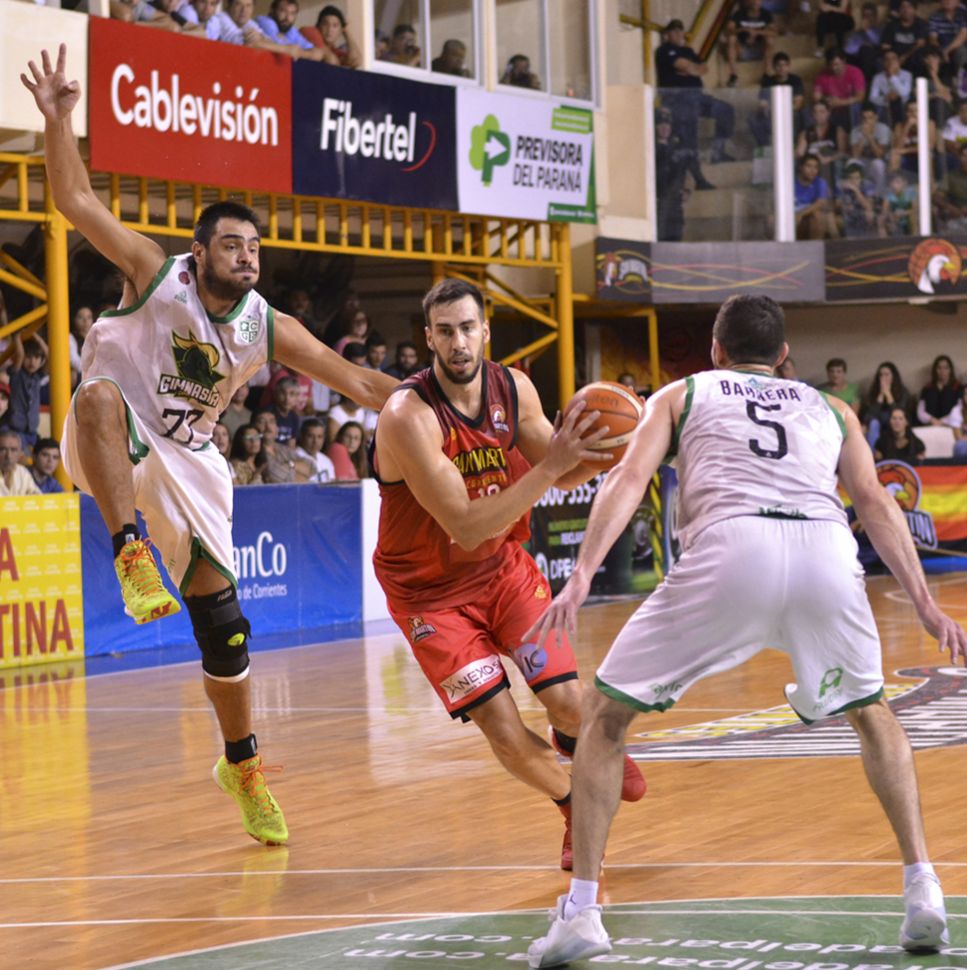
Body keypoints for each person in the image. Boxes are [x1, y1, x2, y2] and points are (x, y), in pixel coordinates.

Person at [20, 45, 397, 848]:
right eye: (231, 245)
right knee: (98, 394)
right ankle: (127, 552)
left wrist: (445, 400)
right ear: (200, 254)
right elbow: (74, 198)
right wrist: (58, 120)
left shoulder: (266, 325)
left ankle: (243, 765)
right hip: (108, 437)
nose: (246, 256)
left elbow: (359, 382)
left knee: (222, 625)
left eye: (253, 247)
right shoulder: (155, 274)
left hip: (188, 462)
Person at [525, 293, 967, 968]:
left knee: (605, 720)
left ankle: (581, 910)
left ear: (715, 349)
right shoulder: (833, 408)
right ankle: (922, 888)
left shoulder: (683, 393)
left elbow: (627, 479)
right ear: (784, 355)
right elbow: (875, 503)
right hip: (823, 552)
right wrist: (926, 604)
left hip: (730, 551)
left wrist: (583, 573)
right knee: (872, 713)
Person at [371, 278, 646, 874]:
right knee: (500, 727)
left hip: (503, 573)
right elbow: (466, 526)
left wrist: (607, 446)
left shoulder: (513, 389)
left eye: (468, 328)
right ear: (428, 338)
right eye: (445, 331)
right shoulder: (408, 417)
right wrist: (551, 467)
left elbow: (564, 470)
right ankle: (574, 804)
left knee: (568, 702)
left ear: (485, 331)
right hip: (429, 597)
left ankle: (574, 738)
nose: (458, 343)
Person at [656, 19, 736, 165]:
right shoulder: (664, 50)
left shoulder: (688, 51)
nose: (678, 34)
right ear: (668, 34)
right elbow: (682, 65)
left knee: (726, 110)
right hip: (677, 99)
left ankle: (718, 152)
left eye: (680, 30)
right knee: (689, 124)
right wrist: (691, 69)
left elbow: (704, 68)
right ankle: (692, 163)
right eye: (674, 31)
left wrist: (690, 69)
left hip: (697, 97)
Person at [208, 0, 320, 58]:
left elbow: (268, 41)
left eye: (248, 5)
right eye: (238, 4)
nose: (244, 10)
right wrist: (287, 50)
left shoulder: (249, 23)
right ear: (229, 6)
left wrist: (261, 41)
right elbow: (244, 43)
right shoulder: (220, 18)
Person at [7, 331, 48, 450]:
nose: (32, 362)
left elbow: (49, 355)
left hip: (32, 430)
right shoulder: (16, 374)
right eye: (28, 357)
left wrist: (36, 337)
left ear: (41, 361)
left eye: (36, 357)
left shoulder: (37, 376)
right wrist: (17, 336)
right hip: (14, 429)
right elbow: (20, 354)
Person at [723, 0, 777, 88]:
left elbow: (774, 32)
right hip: (741, 48)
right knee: (731, 38)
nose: (756, 3)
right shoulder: (739, 14)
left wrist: (757, 32)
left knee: (770, 40)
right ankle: (733, 75)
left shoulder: (766, 14)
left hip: (760, 48)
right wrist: (743, 29)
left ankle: (767, 74)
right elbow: (728, 31)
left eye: (758, 1)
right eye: (753, 1)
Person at [813, 47, 867, 130]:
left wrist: (840, 102)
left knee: (855, 107)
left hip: (848, 107)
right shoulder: (822, 74)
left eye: (837, 64)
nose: (834, 67)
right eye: (831, 65)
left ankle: (854, 134)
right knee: (812, 109)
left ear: (844, 61)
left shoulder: (855, 72)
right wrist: (827, 100)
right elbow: (816, 97)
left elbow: (860, 97)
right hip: (831, 107)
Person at [861, 361, 912, 446]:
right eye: (881, 375)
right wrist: (880, 396)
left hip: (895, 422)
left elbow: (899, 414)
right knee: (873, 423)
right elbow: (869, 416)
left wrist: (888, 395)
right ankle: (874, 452)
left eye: (887, 375)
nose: (883, 378)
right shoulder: (873, 392)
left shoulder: (902, 392)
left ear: (893, 376)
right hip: (879, 423)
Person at [254, 0, 326, 60]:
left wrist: (300, 53)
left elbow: (318, 54)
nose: (287, 17)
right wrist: (291, 49)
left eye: (292, 13)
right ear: (272, 10)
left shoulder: (291, 30)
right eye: (283, 11)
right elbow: (277, 44)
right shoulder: (265, 21)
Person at [849, 101, 892, 196]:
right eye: (864, 118)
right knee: (851, 162)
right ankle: (854, 194)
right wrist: (862, 137)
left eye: (870, 118)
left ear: (876, 118)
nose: (867, 121)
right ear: (860, 119)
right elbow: (855, 156)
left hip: (879, 163)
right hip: (863, 163)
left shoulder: (883, 129)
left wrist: (869, 136)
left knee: (878, 164)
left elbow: (880, 155)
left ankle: (878, 195)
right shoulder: (855, 131)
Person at [795, 153, 837, 239]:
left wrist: (801, 214)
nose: (812, 170)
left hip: (808, 215)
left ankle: (816, 247)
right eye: (809, 166)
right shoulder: (790, 182)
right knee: (772, 220)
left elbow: (820, 203)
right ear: (800, 167)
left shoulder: (820, 182)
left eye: (815, 167)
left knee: (818, 216)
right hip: (791, 215)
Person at [881, 0, 928, 72]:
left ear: (914, 10)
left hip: (913, 57)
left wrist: (904, 57)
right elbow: (885, 45)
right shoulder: (891, 25)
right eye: (903, 7)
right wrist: (893, 58)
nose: (906, 10)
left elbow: (920, 44)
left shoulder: (920, 24)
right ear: (899, 10)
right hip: (894, 58)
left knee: (918, 57)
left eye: (909, 7)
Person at [869, 49, 913, 127]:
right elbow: (872, 97)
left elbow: (904, 93)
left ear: (898, 61)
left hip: (903, 105)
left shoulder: (907, 74)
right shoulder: (878, 77)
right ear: (883, 62)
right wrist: (885, 98)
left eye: (893, 59)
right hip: (886, 105)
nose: (890, 62)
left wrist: (892, 75)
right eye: (887, 59)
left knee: (898, 102)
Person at [836, 159, 878, 236]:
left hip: (862, 213)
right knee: (838, 219)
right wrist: (844, 206)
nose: (854, 181)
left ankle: (868, 240)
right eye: (851, 177)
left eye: (857, 178)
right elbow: (837, 205)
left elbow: (869, 206)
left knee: (870, 214)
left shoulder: (868, 184)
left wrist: (856, 190)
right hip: (847, 214)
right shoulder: (841, 185)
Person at [917, 353, 960, 425]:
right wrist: (931, 419)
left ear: (950, 370)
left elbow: (960, 409)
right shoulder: (927, 388)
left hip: (951, 425)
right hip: (930, 424)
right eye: (939, 368)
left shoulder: (957, 387)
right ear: (935, 370)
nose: (942, 371)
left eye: (946, 368)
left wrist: (943, 421)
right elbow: (920, 411)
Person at [928, 0, 967, 77]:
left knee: (962, 53)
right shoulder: (935, 17)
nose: (947, 1)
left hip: (960, 47)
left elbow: (963, 36)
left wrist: (946, 51)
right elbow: (933, 38)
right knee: (930, 55)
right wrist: (939, 50)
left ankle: (963, 82)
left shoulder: (964, 14)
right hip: (942, 47)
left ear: (958, 2)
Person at [0, 429, 41, 496]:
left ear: (20, 453)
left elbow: (37, 497)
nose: (8, 456)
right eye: (2, 450)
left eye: (13, 450)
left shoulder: (22, 472)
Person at [294, 417, 335, 482]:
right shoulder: (294, 456)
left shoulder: (326, 460)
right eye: (310, 436)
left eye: (319, 437)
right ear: (302, 437)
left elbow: (332, 483)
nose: (315, 441)